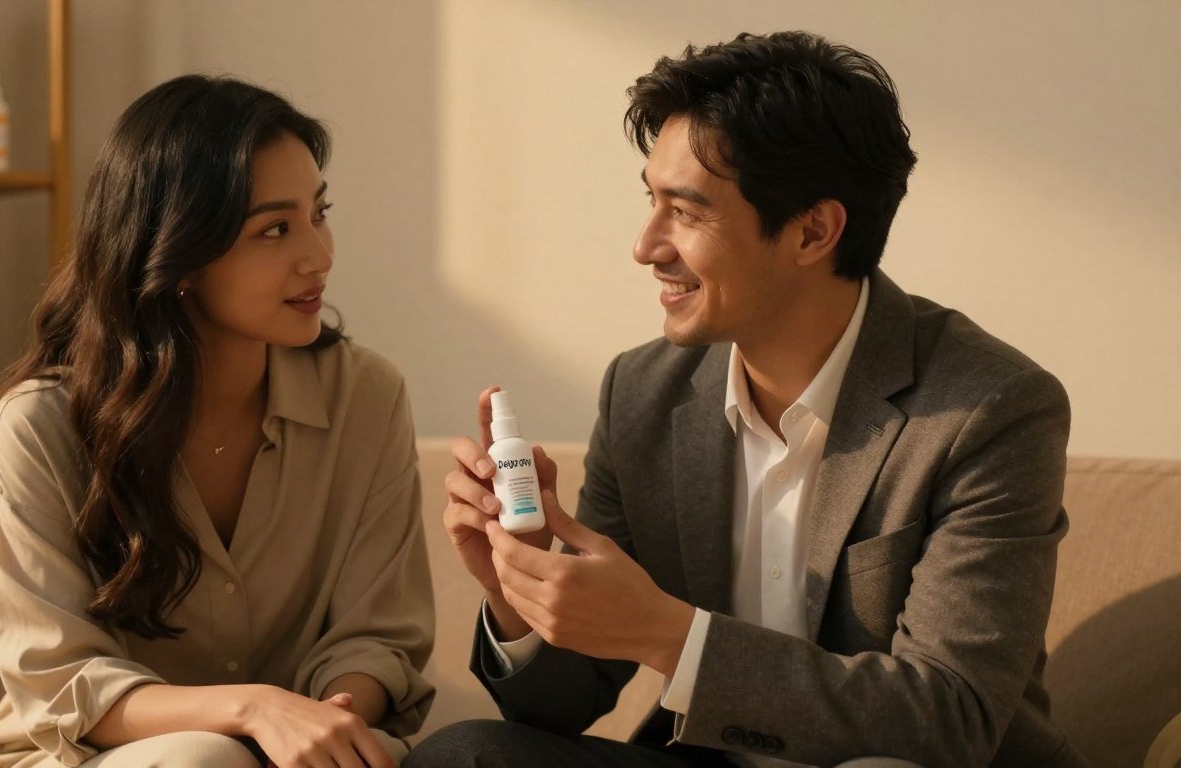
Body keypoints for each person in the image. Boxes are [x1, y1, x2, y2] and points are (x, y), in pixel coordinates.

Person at [410, 31, 1086, 768]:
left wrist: (671, 635)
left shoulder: (987, 410)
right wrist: (522, 583)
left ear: (813, 231)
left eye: (686, 211)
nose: (646, 245)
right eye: (651, 201)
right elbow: (564, 705)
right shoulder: (642, 393)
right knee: (465, 755)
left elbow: (947, 719)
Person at [0, 75, 433, 768]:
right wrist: (254, 710)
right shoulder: (41, 426)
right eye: (275, 229)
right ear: (178, 255)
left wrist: (320, 729)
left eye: (318, 214)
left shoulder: (367, 396)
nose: (319, 256)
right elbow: (64, 680)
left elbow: (378, 635)